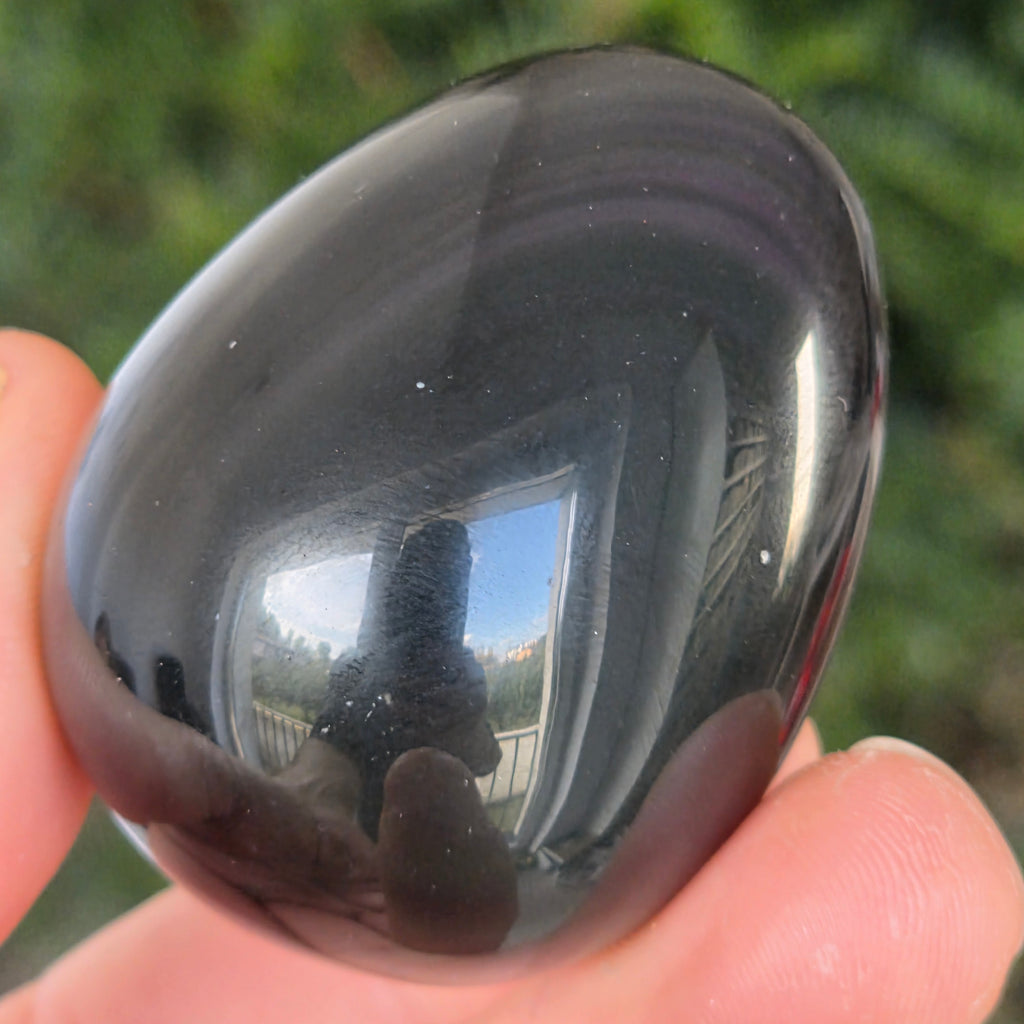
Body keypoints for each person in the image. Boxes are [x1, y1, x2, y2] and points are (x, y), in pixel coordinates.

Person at [1, 327, 1022, 1023]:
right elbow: (404, 757)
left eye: (436, 587)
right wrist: (345, 745)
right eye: (425, 585)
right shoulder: (372, 672)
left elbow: (483, 768)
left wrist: (445, 724)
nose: (428, 608)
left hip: (415, 878)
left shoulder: (447, 678)